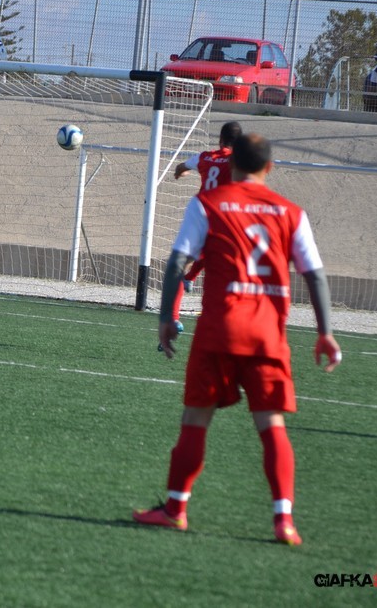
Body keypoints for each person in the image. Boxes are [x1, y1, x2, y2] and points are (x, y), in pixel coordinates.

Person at [134, 133, 342, 546]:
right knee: (272, 425)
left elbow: (177, 262)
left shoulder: (208, 204)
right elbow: (315, 276)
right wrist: (325, 333)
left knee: (196, 420)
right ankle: (284, 521)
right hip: (267, 336)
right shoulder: (291, 213)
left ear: (230, 165)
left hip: (219, 329)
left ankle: (175, 510)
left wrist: (165, 317)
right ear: (270, 167)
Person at [166, 121, 243, 330]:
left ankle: (173, 317)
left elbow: (181, 167)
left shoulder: (204, 157)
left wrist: (181, 173)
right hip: (224, 220)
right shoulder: (237, 161)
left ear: (220, 140)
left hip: (200, 216)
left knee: (183, 265)